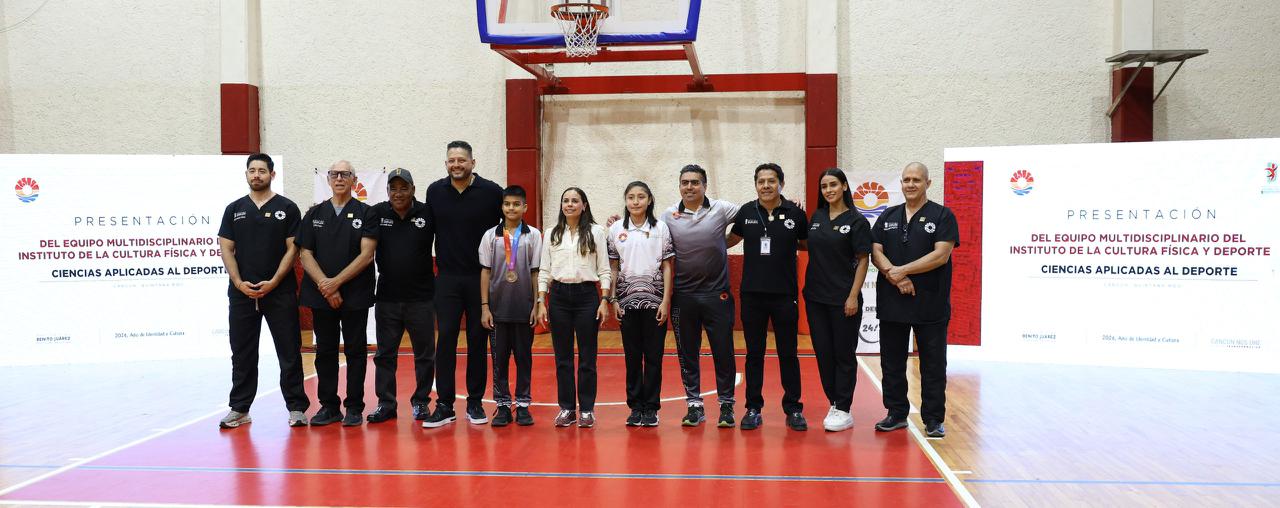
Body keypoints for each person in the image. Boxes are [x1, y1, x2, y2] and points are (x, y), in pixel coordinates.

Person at [216, 153, 310, 428]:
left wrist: (275, 281)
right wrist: (238, 282)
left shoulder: (287, 208)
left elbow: (293, 249)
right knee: (242, 352)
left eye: (262, 171)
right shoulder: (234, 209)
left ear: (272, 174)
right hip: (242, 293)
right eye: (252, 170)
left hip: (279, 292)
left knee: (289, 351)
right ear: (246, 174)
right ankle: (240, 408)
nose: (256, 175)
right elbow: (226, 248)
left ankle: (296, 408)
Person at [870, 162, 959, 438]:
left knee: (933, 364)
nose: (910, 184)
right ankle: (896, 413)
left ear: (928, 184)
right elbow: (875, 250)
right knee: (892, 362)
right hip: (893, 302)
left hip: (930, 304)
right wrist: (896, 276)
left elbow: (941, 255)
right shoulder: (888, 215)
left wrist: (903, 270)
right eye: (906, 180)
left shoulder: (943, 216)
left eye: (916, 180)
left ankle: (933, 419)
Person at [422, 141, 504, 428]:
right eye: (451, 160)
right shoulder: (434, 191)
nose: (456, 165)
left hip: (481, 278)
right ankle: (444, 404)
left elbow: (509, 226)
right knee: (445, 339)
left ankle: (475, 402)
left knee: (477, 340)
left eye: (461, 160)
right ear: (446, 164)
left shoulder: (492, 192)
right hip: (446, 279)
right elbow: (426, 231)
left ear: (473, 163)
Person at [727, 163, 809, 431]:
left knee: (788, 353)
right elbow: (729, 240)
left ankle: (793, 408)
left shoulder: (795, 213)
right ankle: (753, 408)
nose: (766, 186)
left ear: (781, 184)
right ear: (755, 185)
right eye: (761, 181)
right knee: (754, 354)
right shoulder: (746, 212)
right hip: (752, 296)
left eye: (771, 181)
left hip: (784, 295)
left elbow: (806, 243)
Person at [297, 160, 378, 427]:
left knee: (355, 351)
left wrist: (336, 283)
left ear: (354, 180)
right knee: (325, 352)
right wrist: (326, 285)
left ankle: (354, 407)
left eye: (345, 174)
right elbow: (305, 253)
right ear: (329, 179)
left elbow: (367, 255)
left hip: (355, 295)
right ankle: (329, 406)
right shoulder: (314, 213)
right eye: (335, 174)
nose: (339, 178)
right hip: (321, 295)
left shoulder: (366, 213)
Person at [661, 164, 740, 428]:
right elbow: (648, 232)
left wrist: (724, 242)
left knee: (723, 351)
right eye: (685, 182)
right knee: (687, 353)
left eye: (695, 182)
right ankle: (694, 405)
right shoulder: (668, 215)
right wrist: (618, 223)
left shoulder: (721, 208)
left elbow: (752, 216)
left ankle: (726, 405)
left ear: (705, 185)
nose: (690, 187)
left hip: (717, 295)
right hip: (684, 296)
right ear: (679, 186)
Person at [802, 168, 872, 432]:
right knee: (823, 353)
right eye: (824, 186)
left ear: (844, 186)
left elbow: (863, 260)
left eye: (833, 184)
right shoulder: (817, 217)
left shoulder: (857, 221)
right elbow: (806, 244)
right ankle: (834, 402)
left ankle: (844, 407)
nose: (828, 190)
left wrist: (853, 296)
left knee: (843, 354)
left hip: (843, 299)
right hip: (815, 298)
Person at [536, 187, 611, 428]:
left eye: (575, 200)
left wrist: (604, 299)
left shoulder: (596, 232)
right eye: (565, 200)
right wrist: (541, 301)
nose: (569, 204)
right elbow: (544, 270)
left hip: (587, 296)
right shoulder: (551, 233)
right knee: (563, 357)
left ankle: (587, 409)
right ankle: (567, 408)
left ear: (584, 205)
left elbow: (604, 269)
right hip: (558, 297)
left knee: (588, 357)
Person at [368, 168, 436, 424]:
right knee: (385, 355)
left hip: (422, 298)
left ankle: (421, 402)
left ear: (413, 190)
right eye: (393, 188)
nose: (398, 193)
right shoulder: (377, 213)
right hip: (387, 298)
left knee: (424, 355)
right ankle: (386, 404)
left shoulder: (427, 213)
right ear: (387, 191)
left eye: (403, 188)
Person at [607, 181, 674, 427]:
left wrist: (665, 301)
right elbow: (613, 267)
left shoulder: (661, 228)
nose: (636, 201)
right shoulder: (616, 229)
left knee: (654, 357)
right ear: (625, 201)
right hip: (626, 302)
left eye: (641, 197)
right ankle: (635, 407)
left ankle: (651, 408)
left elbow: (667, 266)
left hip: (655, 302)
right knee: (632, 357)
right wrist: (613, 298)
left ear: (649, 200)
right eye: (631, 197)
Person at [479, 185, 542, 427]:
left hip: (524, 310)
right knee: (499, 360)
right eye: (507, 204)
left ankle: (523, 404)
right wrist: (485, 307)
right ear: (502, 207)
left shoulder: (533, 235)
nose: (511, 208)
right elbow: (485, 272)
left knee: (524, 359)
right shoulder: (491, 236)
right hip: (497, 311)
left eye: (516, 204)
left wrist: (537, 304)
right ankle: (503, 405)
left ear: (525, 207)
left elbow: (536, 272)